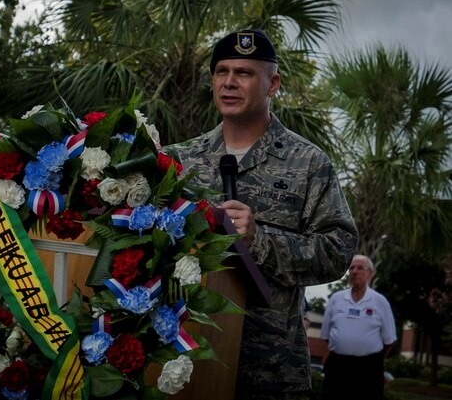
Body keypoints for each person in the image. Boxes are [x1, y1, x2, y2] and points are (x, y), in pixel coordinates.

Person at [167, 29, 359, 399]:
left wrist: (260, 240)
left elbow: (338, 252)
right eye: (222, 72)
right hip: (184, 360)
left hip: (269, 370)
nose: (229, 83)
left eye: (244, 73)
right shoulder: (179, 160)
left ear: (273, 84)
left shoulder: (308, 163)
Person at [320, 254, 397, 400]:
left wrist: (373, 359)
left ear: (370, 273)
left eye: (360, 268)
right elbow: (326, 336)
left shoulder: (380, 302)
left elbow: (389, 341)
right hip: (338, 366)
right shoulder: (336, 299)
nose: (355, 271)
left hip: (368, 368)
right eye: (352, 268)